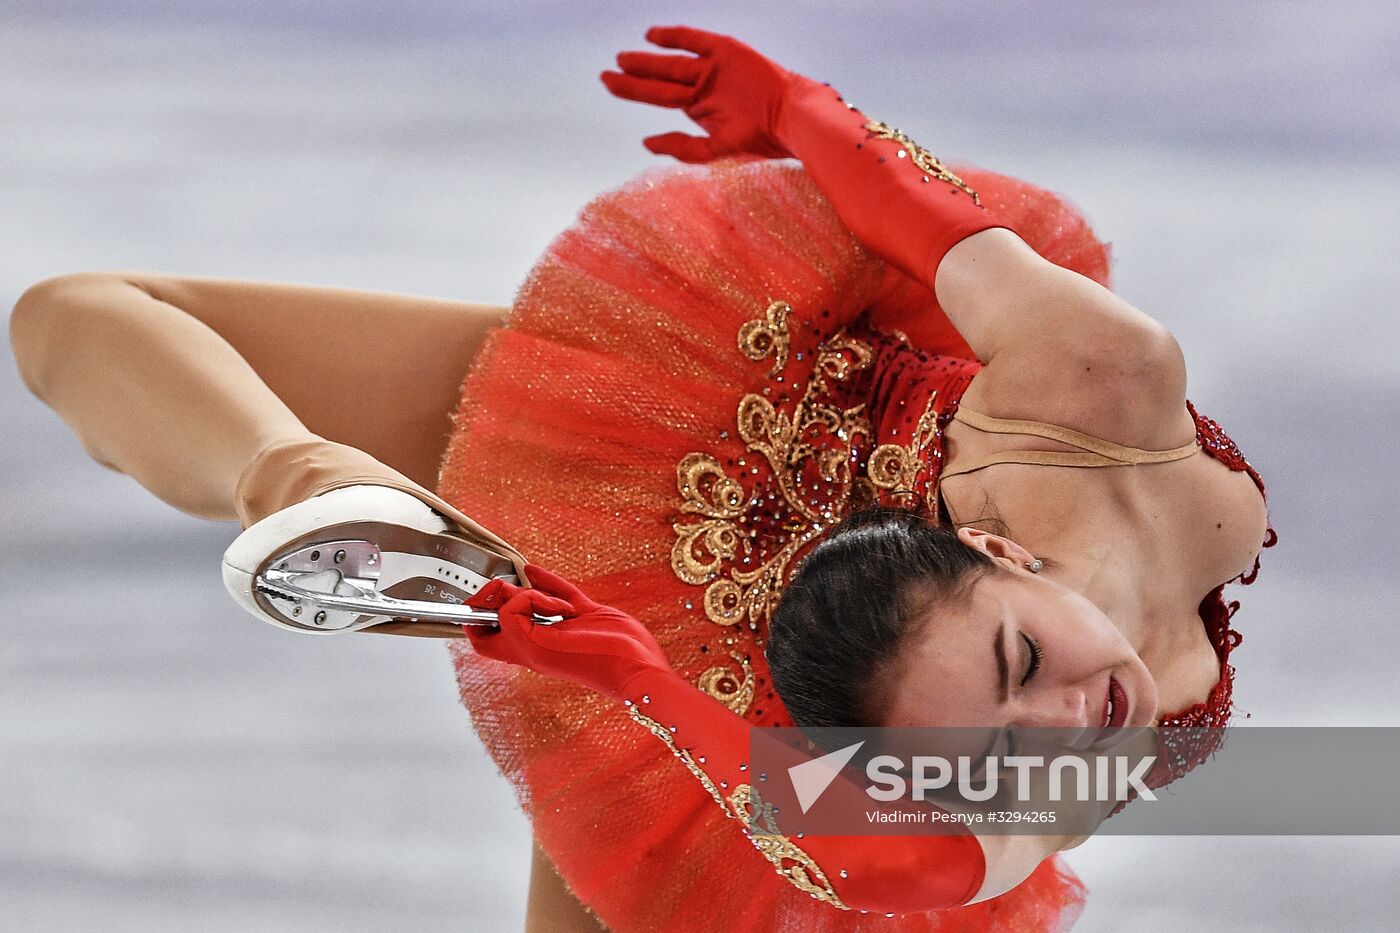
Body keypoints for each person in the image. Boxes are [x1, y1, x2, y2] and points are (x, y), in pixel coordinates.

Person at [8, 23, 1274, 933]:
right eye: (1017, 670)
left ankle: (315, 484)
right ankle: (301, 477)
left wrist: (635, 677)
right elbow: (928, 226)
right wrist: (789, 108)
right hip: (701, 434)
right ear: (999, 553)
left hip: (702, 703)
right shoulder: (1099, 385)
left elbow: (902, 870)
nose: (1063, 727)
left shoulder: (1108, 731)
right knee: (78, 312)